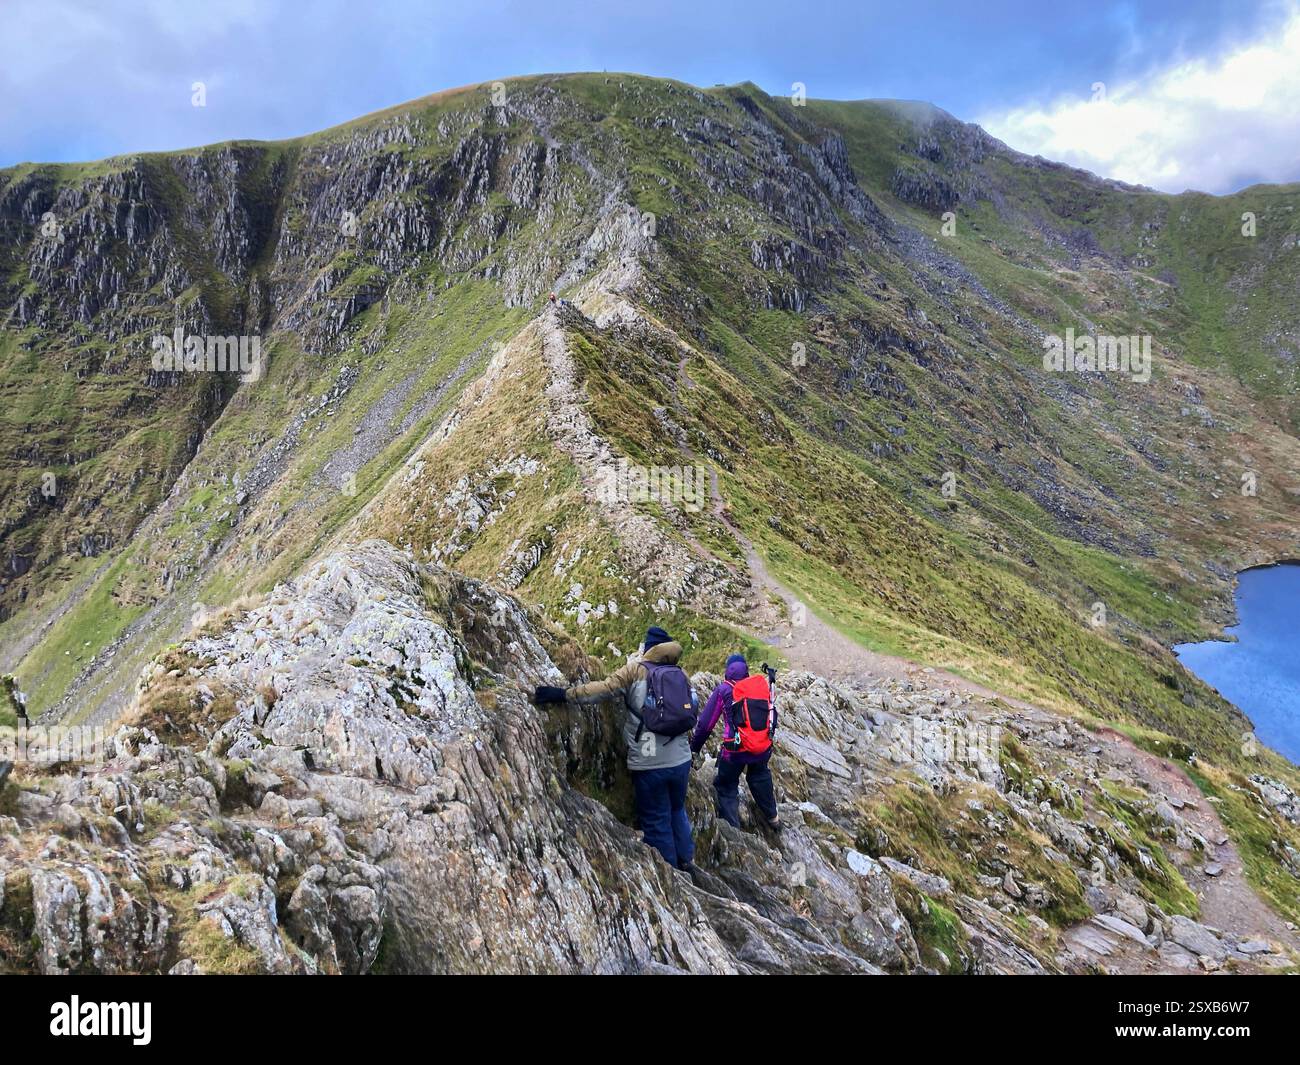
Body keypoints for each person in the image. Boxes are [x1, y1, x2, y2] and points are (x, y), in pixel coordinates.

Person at [534, 626, 698, 870]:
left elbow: (602, 689)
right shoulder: (680, 674)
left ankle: (671, 874)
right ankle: (687, 861)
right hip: (681, 760)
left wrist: (563, 694)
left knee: (656, 819)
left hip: (649, 760)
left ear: (648, 648)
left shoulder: (635, 671)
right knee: (676, 810)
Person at [690, 654, 780, 831]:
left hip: (735, 750)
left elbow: (706, 725)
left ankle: (734, 831)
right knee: (760, 775)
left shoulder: (724, 690)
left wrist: (695, 748)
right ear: (746, 670)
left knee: (726, 785)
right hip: (760, 747)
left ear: (727, 671)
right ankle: (773, 818)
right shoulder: (758, 687)